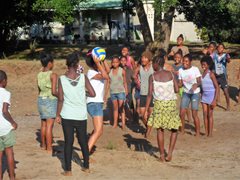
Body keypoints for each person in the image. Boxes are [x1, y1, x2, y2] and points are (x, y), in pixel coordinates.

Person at [56, 52, 95, 176]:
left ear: (67, 64)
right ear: (77, 64)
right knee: (83, 141)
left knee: (68, 142)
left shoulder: (62, 79)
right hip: (80, 115)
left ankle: (68, 170)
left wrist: (57, 114)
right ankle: (86, 167)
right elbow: (93, 93)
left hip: (67, 115)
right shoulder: (83, 77)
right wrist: (83, 94)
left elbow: (61, 99)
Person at [144, 56, 181, 162]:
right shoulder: (171, 74)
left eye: (153, 64)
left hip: (159, 105)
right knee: (174, 129)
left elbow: (149, 95)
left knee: (160, 130)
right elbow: (177, 90)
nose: (152, 66)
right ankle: (169, 154)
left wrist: (146, 110)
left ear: (156, 63)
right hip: (171, 104)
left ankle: (161, 156)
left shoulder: (152, 77)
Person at [86, 51, 110, 154]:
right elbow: (105, 76)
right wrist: (98, 63)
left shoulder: (98, 72)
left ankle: (87, 148)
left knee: (98, 130)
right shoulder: (91, 73)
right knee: (99, 131)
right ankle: (85, 153)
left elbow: (107, 71)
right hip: (94, 103)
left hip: (97, 103)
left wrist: (103, 60)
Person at [37, 53, 58, 153]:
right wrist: (60, 96)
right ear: (50, 63)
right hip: (50, 99)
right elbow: (54, 91)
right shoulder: (53, 75)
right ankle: (49, 147)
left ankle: (43, 145)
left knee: (43, 125)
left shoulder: (39, 75)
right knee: (50, 126)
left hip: (41, 99)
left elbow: (39, 90)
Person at [0, 70, 18, 180]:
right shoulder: (6, 93)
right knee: (9, 152)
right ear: (4, 81)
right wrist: (13, 122)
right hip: (6, 128)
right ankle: (12, 176)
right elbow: (5, 110)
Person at [179, 54, 201, 136]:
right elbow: (180, 83)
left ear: (190, 62)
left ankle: (197, 132)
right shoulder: (181, 70)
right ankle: (182, 130)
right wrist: (178, 85)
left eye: (186, 61)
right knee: (181, 112)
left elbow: (199, 81)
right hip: (186, 93)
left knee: (194, 113)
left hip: (195, 93)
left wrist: (196, 84)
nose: (184, 63)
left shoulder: (195, 69)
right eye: (183, 61)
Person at [133, 51, 154, 137]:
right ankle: (148, 127)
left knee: (150, 114)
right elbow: (134, 76)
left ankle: (148, 131)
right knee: (142, 115)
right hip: (142, 93)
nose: (143, 59)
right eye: (142, 57)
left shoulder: (153, 67)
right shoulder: (139, 68)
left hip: (152, 93)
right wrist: (136, 81)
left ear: (149, 59)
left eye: (145, 58)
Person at [107, 56, 128, 129]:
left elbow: (125, 82)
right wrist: (105, 93)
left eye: (116, 62)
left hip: (121, 92)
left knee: (121, 108)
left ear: (119, 63)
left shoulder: (122, 71)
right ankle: (115, 123)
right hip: (113, 92)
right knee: (115, 108)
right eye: (113, 62)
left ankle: (123, 124)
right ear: (111, 63)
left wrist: (126, 91)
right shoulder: (110, 71)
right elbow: (108, 83)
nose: (115, 63)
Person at [201, 56, 219, 137]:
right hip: (204, 96)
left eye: (204, 64)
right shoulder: (202, 74)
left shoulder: (211, 74)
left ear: (208, 65)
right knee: (205, 114)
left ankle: (210, 134)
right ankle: (206, 132)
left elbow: (217, 87)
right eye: (202, 64)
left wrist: (214, 100)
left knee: (210, 114)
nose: (203, 66)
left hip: (211, 96)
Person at [172, 50, 192, 122]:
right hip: (174, 87)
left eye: (179, 57)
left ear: (181, 58)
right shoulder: (172, 66)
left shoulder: (182, 67)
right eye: (175, 57)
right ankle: (177, 118)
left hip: (182, 87)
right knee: (176, 103)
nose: (177, 58)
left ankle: (189, 118)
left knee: (185, 103)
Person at [212, 43, 231, 110]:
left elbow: (228, 61)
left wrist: (228, 58)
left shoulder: (225, 55)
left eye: (221, 48)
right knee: (214, 90)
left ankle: (228, 105)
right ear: (217, 49)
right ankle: (215, 102)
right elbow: (210, 60)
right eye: (219, 47)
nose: (220, 49)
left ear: (223, 49)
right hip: (215, 75)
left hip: (222, 76)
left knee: (225, 91)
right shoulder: (214, 55)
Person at [120, 56, 134, 121]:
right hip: (120, 89)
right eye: (121, 60)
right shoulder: (118, 69)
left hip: (128, 89)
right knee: (122, 105)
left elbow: (133, 77)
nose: (123, 62)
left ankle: (132, 118)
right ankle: (124, 118)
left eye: (124, 60)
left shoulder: (129, 69)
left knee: (130, 104)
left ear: (126, 61)